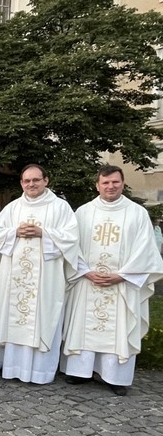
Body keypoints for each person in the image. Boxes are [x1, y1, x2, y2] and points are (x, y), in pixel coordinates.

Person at [62, 166, 163, 396]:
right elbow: (70, 247)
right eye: (105, 183)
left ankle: (115, 377)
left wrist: (122, 275)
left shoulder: (137, 213)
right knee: (83, 325)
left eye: (115, 182)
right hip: (87, 280)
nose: (110, 186)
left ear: (122, 183)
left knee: (118, 328)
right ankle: (80, 371)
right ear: (97, 185)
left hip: (122, 283)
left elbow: (146, 250)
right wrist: (85, 271)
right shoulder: (83, 213)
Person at [0, 164, 79, 384]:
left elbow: (71, 238)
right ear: (21, 183)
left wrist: (44, 233)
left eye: (36, 180)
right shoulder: (13, 207)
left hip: (46, 278)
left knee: (43, 317)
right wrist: (14, 232)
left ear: (46, 181)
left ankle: (40, 372)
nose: (31, 184)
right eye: (27, 181)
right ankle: (11, 367)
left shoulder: (60, 207)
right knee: (12, 317)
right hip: (14, 277)